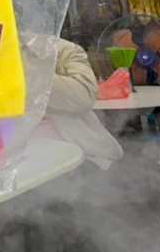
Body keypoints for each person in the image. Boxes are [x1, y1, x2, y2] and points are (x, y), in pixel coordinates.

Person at [35, 38, 123, 171]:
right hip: (8, 163)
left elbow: (83, 96)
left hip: (73, 161)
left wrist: (23, 73)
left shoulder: (59, 48)